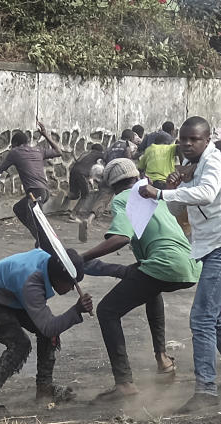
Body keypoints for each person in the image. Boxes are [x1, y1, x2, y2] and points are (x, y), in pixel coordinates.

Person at [138, 116, 221, 412]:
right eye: (184, 139)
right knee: (214, 317)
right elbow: (183, 204)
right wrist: (176, 183)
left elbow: (206, 194)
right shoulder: (198, 167)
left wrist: (161, 191)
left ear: (206, 141)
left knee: (202, 318)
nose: (187, 144)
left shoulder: (214, 163)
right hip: (218, 249)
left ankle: (206, 391)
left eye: (194, 139)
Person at [83, 159, 199, 398]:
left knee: (107, 311)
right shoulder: (153, 193)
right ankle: (162, 359)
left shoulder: (123, 198)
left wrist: (82, 257)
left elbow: (120, 239)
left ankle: (124, 383)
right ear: (136, 176)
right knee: (148, 285)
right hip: (189, 264)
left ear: (111, 185)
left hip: (164, 264)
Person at [0, 248, 92, 415]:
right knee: (20, 345)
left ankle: (44, 389)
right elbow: (48, 327)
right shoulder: (31, 282)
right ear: (57, 278)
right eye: (70, 284)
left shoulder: (50, 262)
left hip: (8, 297)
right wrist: (76, 310)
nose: (72, 289)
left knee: (50, 333)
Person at [0, 123, 63, 241]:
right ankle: (39, 238)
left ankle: (44, 242)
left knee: (38, 223)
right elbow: (58, 151)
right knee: (19, 209)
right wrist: (45, 134)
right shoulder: (38, 150)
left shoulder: (15, 152)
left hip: (35, 193)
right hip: (44, 192)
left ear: (14, 144)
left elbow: (0, 169)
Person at [67, 143, 106, 240]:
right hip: (82, 174)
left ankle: (65, 201)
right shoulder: (98, 154)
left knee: (75, 194)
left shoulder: (85, 153)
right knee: (85, 195)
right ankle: (73, 215)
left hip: (73, 171)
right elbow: (106, 157)